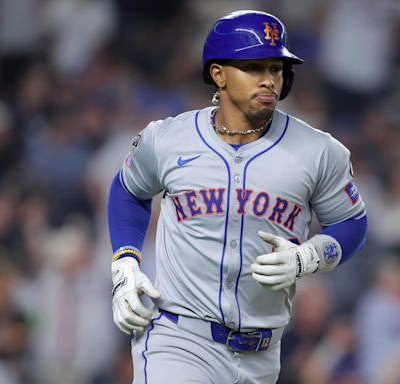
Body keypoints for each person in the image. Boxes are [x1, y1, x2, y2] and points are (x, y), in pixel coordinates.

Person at [107, 10, 368, 384]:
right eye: (254, 67)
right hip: (179, 340)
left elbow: (351, 222)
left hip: (262, 354)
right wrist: (126, 264)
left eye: (276, 68)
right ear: (219, 73)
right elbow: (128, 190)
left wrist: (310, 255)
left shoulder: (318, 151)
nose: (269, 80)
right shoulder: (168, 139)